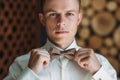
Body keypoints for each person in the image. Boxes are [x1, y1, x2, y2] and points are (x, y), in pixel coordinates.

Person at [4, 0, 117, 80]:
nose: (61, 22)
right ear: (43, 19)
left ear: (78, 19)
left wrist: (98, 72)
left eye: (69, 14)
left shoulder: (101, 64)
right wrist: (30, 73)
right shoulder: (21, 64)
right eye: (53, 14)